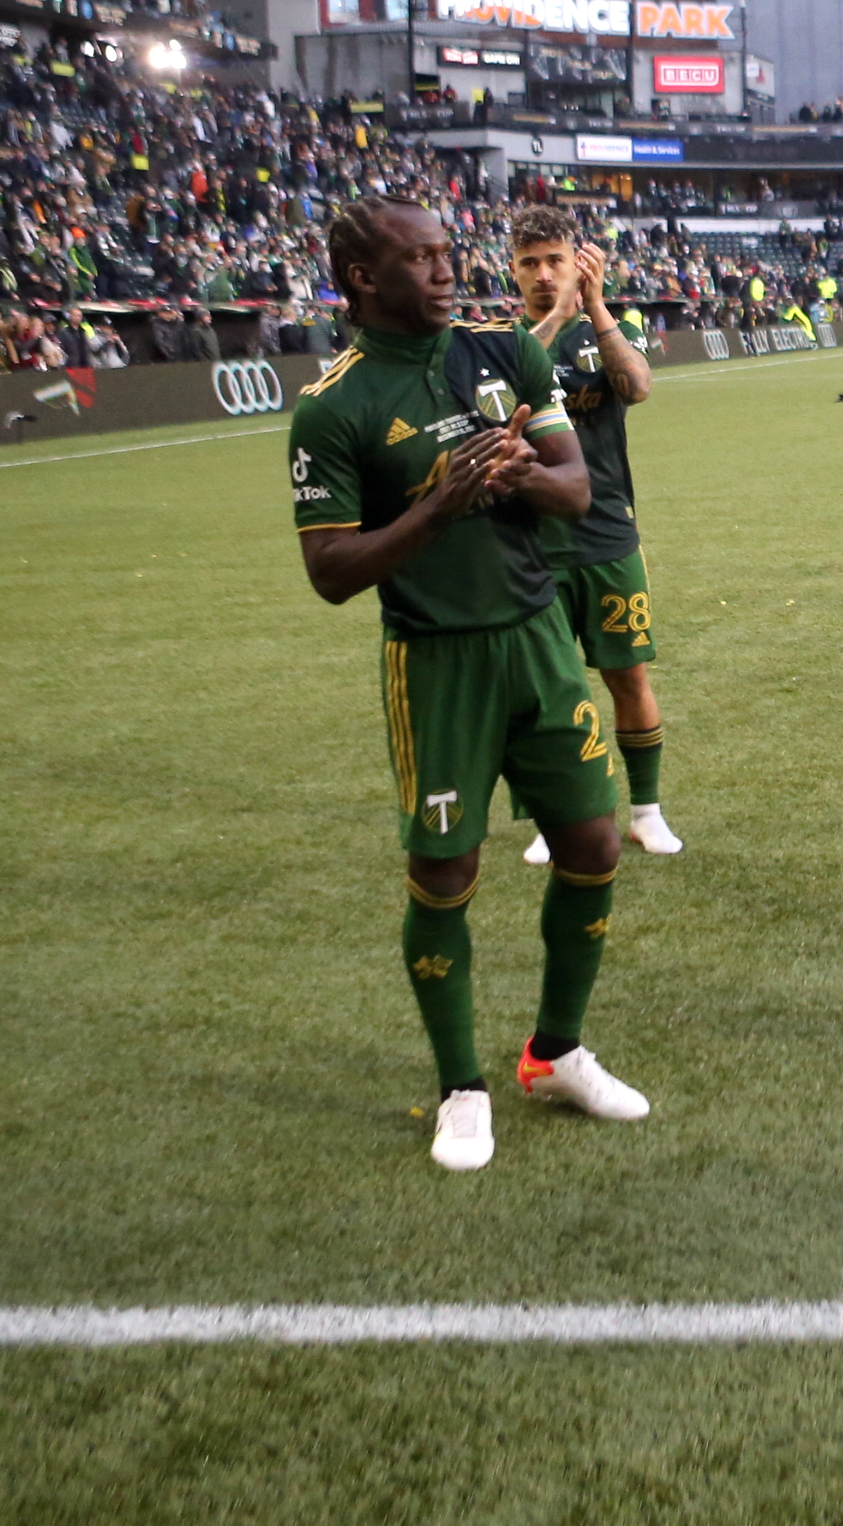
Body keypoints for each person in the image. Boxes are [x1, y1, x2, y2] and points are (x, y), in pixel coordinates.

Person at [285, 197, 647, 1174]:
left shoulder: (506, 359)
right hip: (436, 662)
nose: (447, 272)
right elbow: (330, 571)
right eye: (421, 259)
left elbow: (578, 491)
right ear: (364, 279)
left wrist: (519, 474)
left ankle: (556, 1050)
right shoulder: (334, 406)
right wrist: (440, 505)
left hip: (539, 641)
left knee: (594, 841)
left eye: (448, 254)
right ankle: (460, 1086)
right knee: (447, 870)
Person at [504, 209, 678, 868]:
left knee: (627, 676)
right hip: (529, 546)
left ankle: (646, 813)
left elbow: (635, 385)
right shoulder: (498, 340)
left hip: (607, 536)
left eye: (556, 260)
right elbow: (510, 386)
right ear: (512, 271)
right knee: (546, 691)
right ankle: (556, 819)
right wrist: (557, 314)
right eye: (531, 263)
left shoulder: (611, 326)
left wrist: (596, 305)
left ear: (578, 260)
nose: (546, 275)